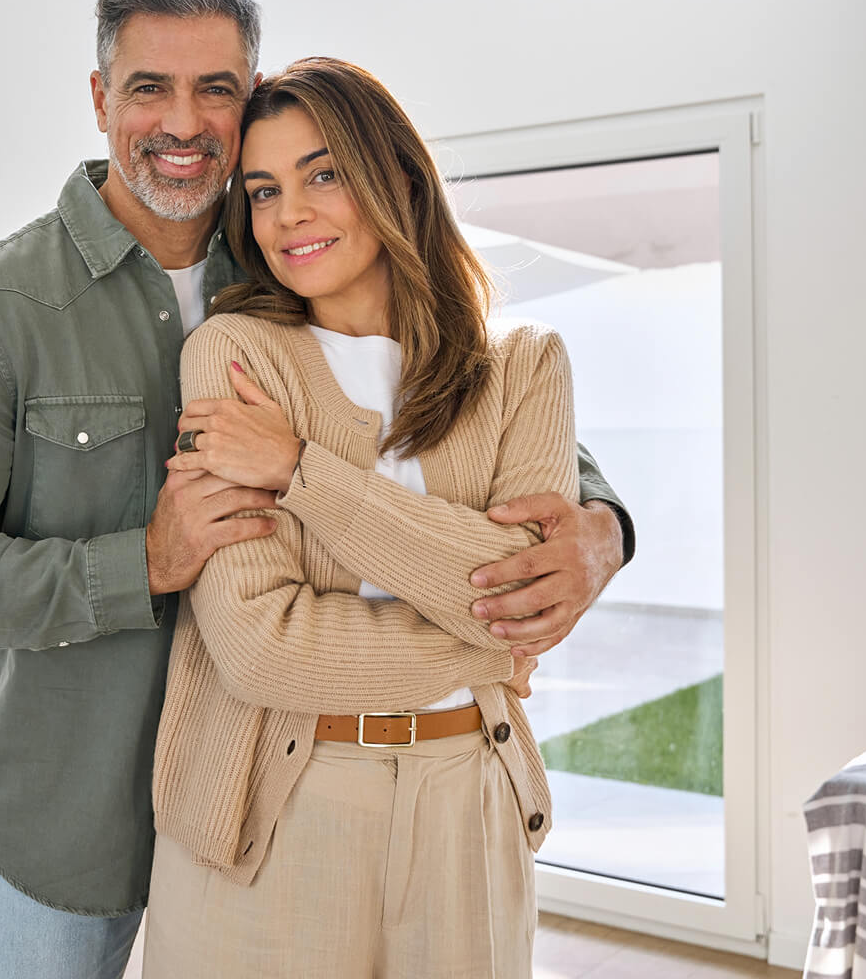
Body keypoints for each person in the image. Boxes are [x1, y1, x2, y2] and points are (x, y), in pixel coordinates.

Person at [0, 0, 633, 979]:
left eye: (214, 89)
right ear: (101, 99)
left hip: (263, 798)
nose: (182, 121)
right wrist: (137, 560)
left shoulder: (285, 257)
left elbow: (476, 412)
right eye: (149, 87)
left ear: (245, 96)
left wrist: (607, 527)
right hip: (67, 813)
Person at [148, 56, 572, 976]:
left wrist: (301, 472)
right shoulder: (234, 356)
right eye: (262, 191)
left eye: (323, 173)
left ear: (400, 179)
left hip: (471, 802)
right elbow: (263, 647)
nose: (288, 214)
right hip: (279, 803)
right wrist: (498, 644)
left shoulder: (525, 367)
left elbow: (532, 578)